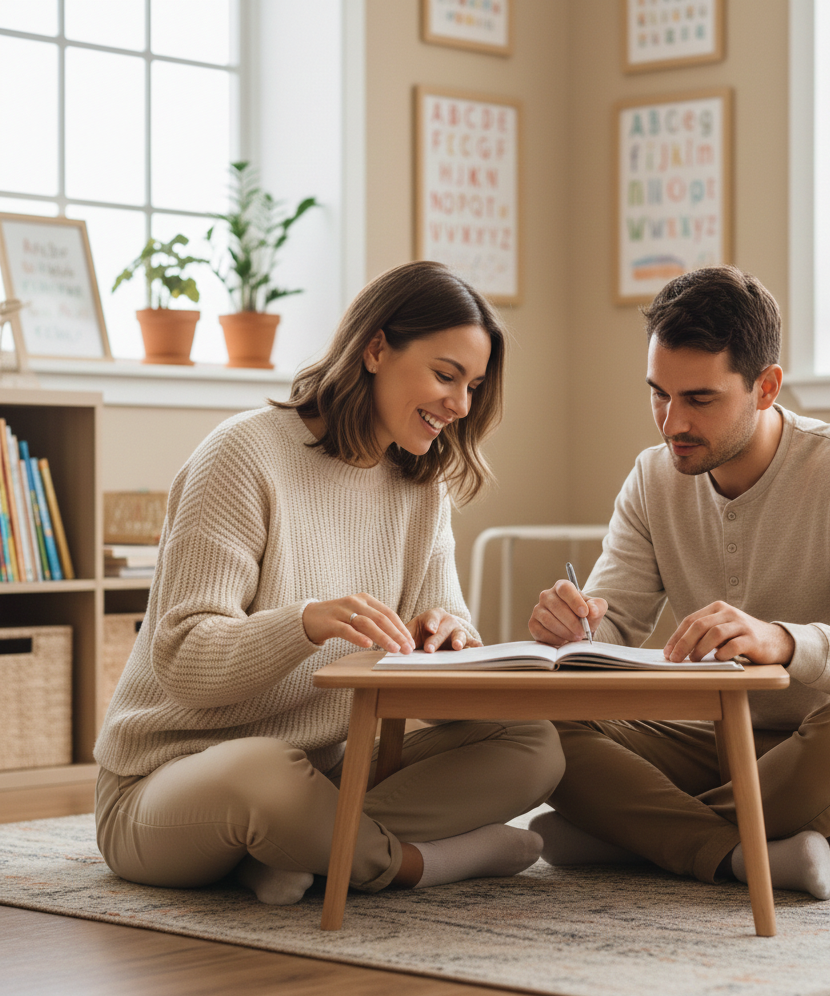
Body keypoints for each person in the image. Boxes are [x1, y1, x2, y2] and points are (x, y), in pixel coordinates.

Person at [95, 261, 564, 906]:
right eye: (446, 375)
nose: (460, 405)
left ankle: (287, 852)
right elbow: (182, 658)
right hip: (166, 780)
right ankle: (421, 864)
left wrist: (454, 644)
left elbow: (449, 698)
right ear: (375, 349)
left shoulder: (421, 491)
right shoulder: (243, 456)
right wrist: (304, 623)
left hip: (325, 773)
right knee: (267, 775)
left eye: (473, 385)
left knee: (532, 741)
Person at [527, 266, 830, 901]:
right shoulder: (652, 478)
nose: (671, 423)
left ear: (766, 387)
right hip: (719, 740)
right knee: (544, 725)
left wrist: (783, 640)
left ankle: (633, 836)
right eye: (658, 394)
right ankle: (728, 852)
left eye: (699, 399)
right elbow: (608, 632)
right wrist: (576, 629)